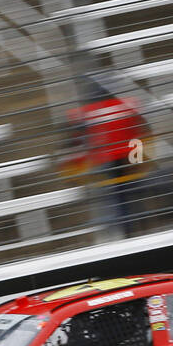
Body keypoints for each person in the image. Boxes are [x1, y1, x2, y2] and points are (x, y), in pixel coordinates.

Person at [63, 84, 152, 239]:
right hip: (130, 155)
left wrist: (74, 169)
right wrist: (138, 159)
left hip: (106, 159)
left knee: (117, 197)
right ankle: (141, 227)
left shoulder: (85, 113)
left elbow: (77, 141)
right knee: (134, 192)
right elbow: (140, 131)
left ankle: (128, 233)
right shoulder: (128, 104)